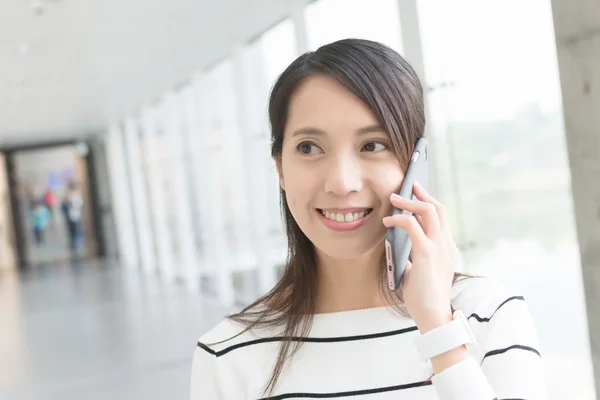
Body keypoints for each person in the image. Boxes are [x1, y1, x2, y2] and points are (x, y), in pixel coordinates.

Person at [190, 39, 546, 399]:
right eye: (309, 147)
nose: (342, 183)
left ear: (415, 163)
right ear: (280, 167)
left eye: (372, 145)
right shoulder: (228, 353)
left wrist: (439, 329)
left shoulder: (489, 315)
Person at [61, 182, 84, 254]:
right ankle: (75, 245)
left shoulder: (70, 195)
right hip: (74, 215)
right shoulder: (75, 195)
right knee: (75, 231)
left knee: (73, 231)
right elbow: (79, 204)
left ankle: (74, 245)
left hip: (72, 215)